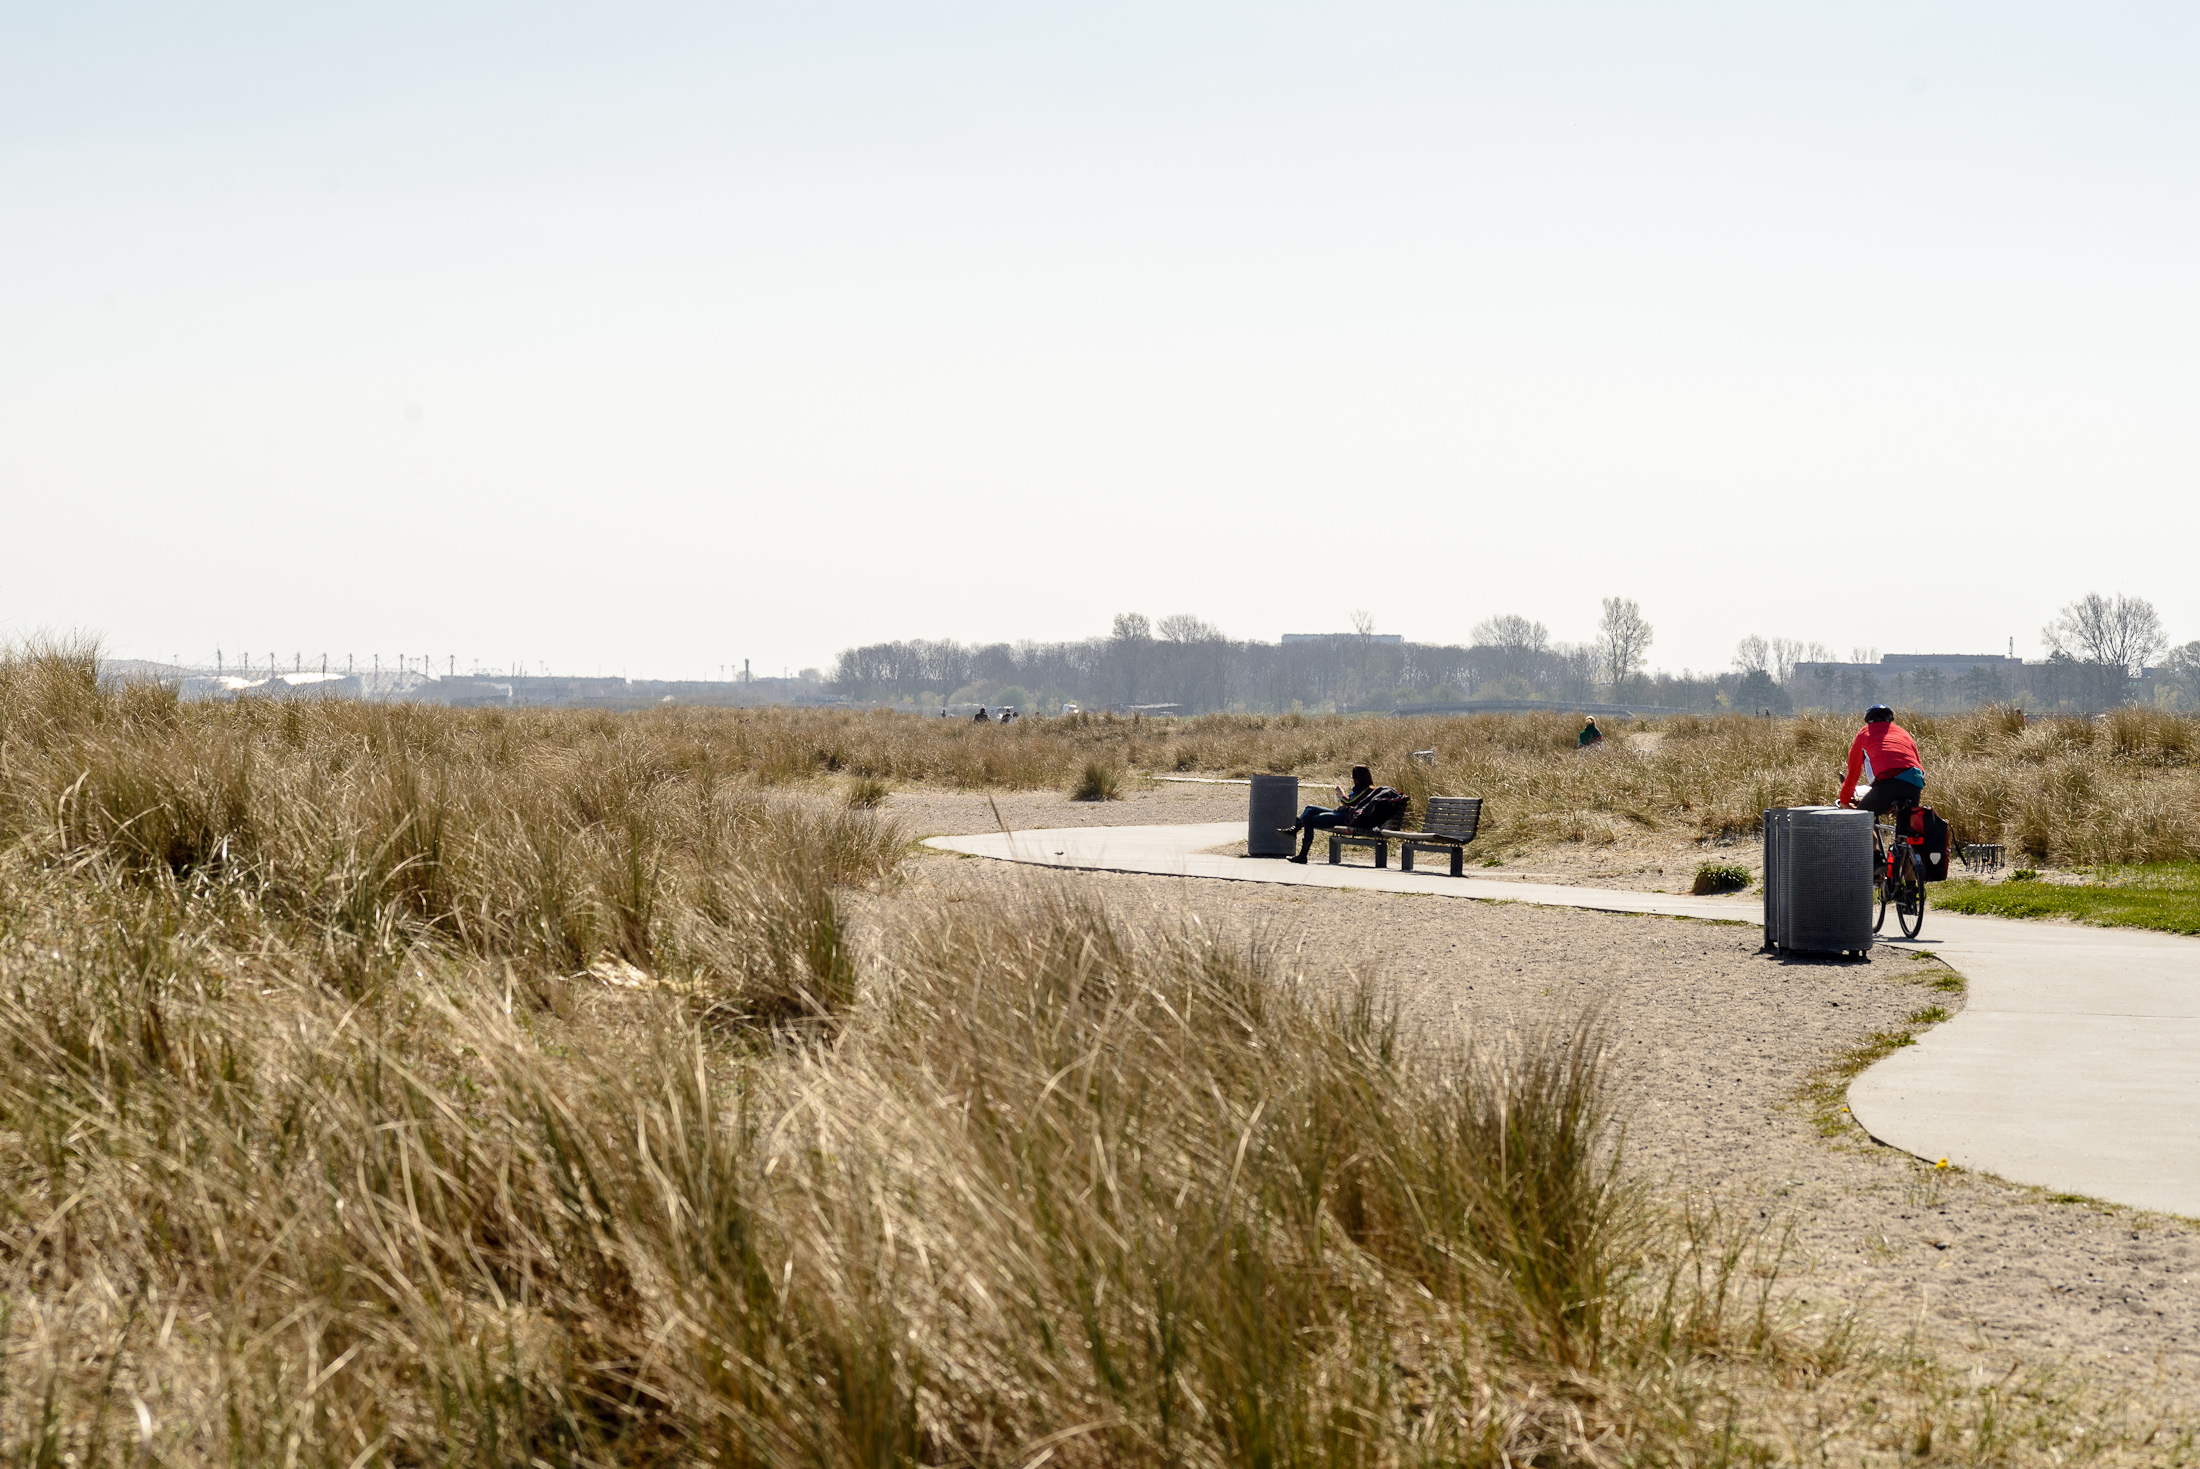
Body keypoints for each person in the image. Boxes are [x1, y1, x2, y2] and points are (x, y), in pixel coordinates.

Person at [1278, 765, 1407, 864]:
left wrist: (1341, 793)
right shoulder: (1359, 790)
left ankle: (1302, 854)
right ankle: (1295, 830)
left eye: (1354, 777)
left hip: (1350, 818)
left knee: (1311, 819)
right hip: (1346, 814)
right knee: (1309, 808)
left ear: (1359, 778)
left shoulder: (1368, 790)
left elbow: (1349, 802)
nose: (1353, 779)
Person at [1838, 704, 1926, 816]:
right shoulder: (1904, 733)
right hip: (1914, 783)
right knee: (1908, 825)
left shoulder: (1865, 733)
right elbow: (1918, 764)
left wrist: (1844, 801)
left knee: (1860, 821)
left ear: (1869, 721)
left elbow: (1853, 773)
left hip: (1887, 784)